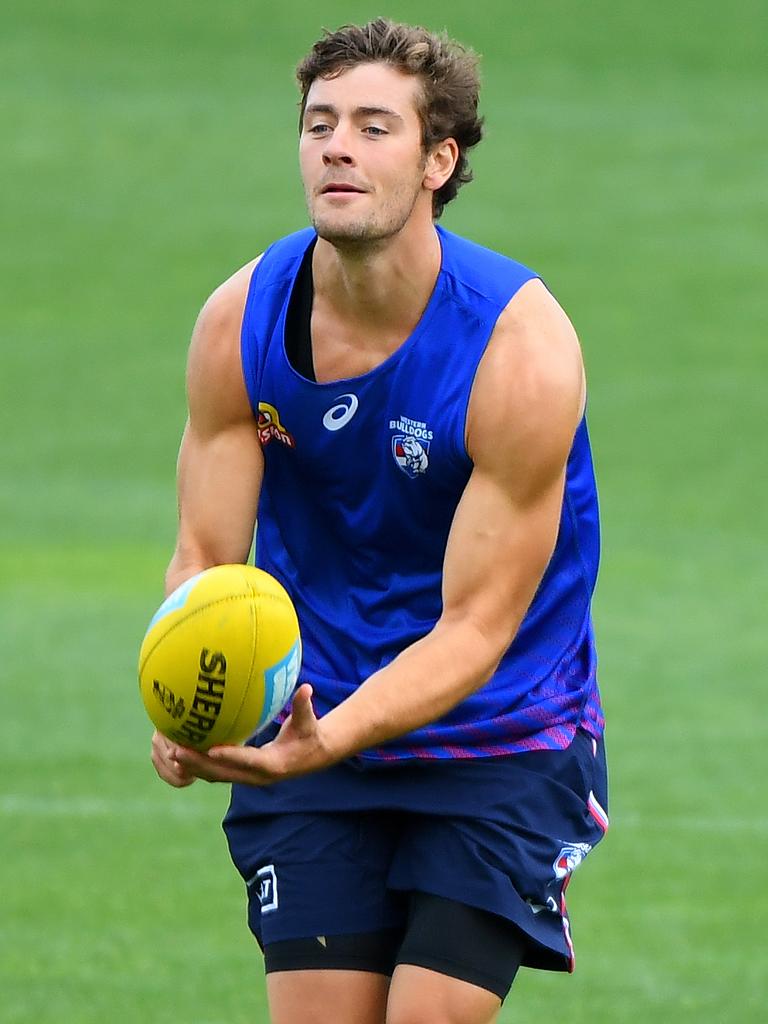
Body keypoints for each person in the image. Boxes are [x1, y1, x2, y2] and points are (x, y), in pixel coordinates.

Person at [151, 18, 608, 1024]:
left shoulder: (517, 350)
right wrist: (186, 697)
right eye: (319, 124)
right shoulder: (240, 320)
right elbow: (206, 555)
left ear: (439, 160)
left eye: (372, 125)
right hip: (311, 710)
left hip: (498, 737)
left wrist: (328, 738)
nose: (337, 146)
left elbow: (477, 629)